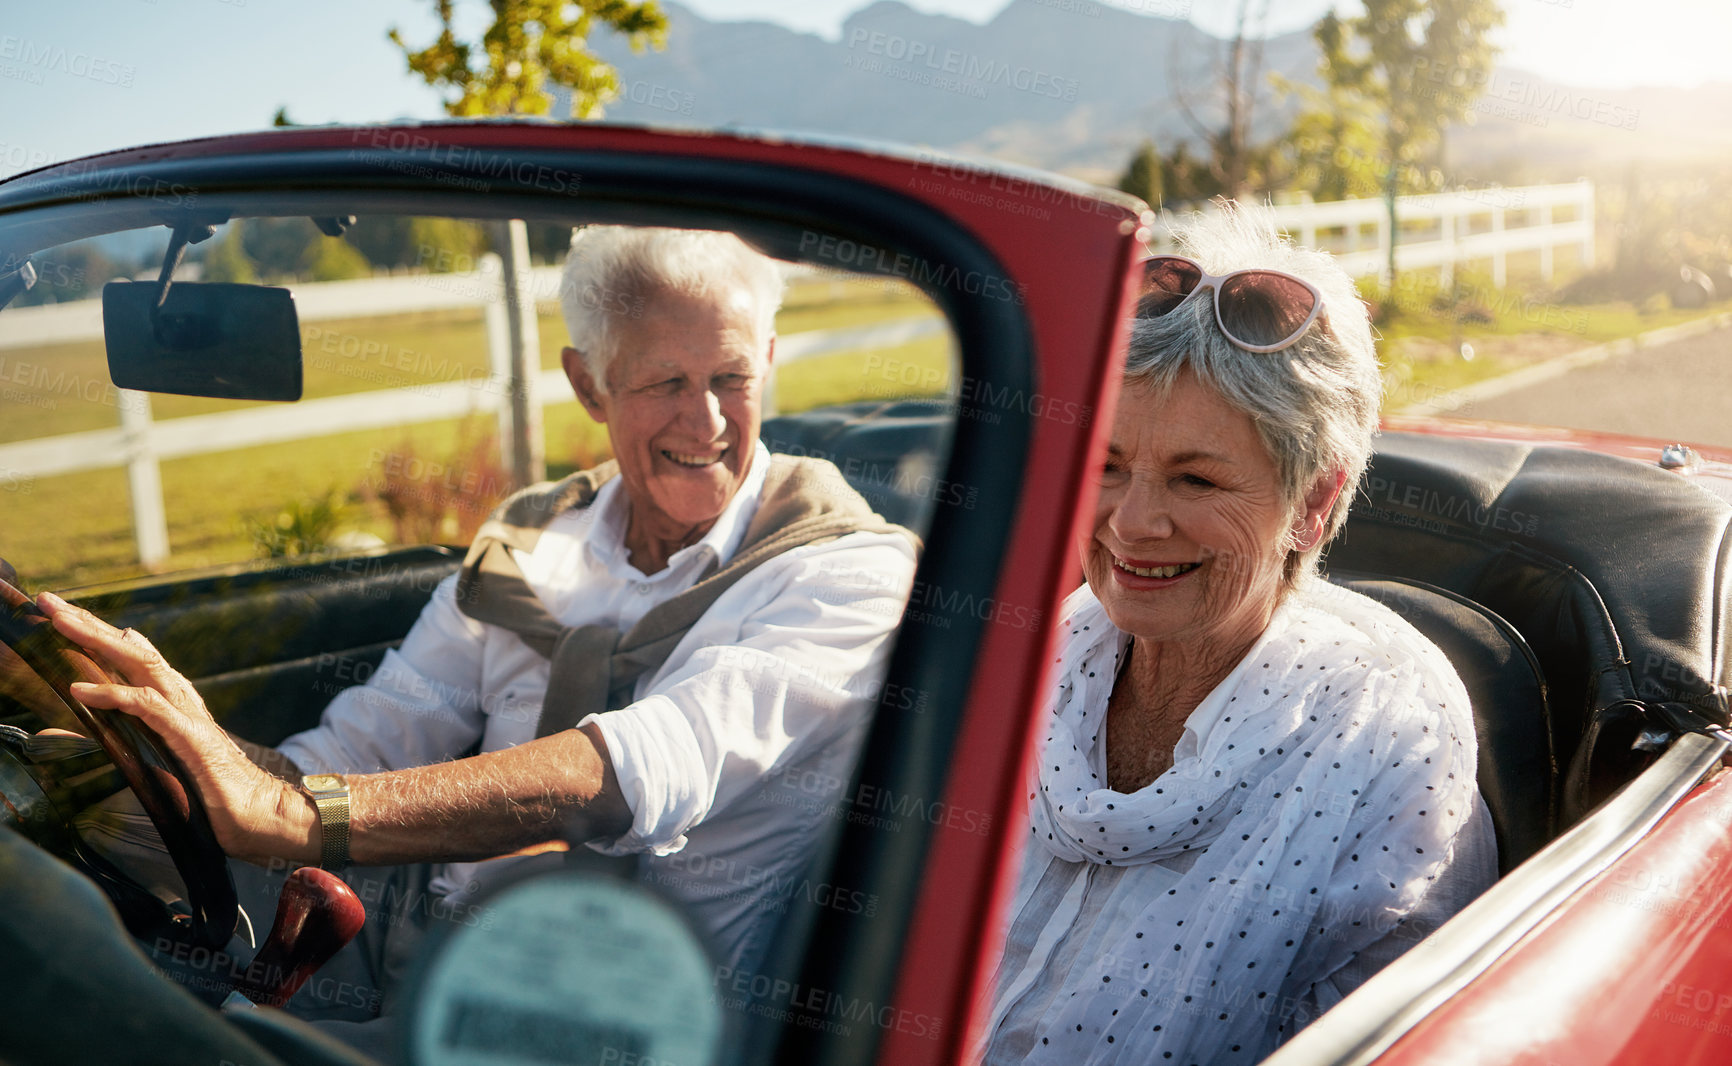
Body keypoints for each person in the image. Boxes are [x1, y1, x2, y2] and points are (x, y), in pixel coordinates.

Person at [33, 227, 919, 1037]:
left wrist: (293, 812)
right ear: (588, 385)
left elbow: (640, 769)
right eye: (665, 383)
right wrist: (171, 744)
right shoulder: (533, 537)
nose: (709, 421)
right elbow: (366, 742)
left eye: (732, 376)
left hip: (629, 1021)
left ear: (768, 359)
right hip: (418, 939)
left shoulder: (848, 570)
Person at [979, 204, 1497, 1065]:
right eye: (1107, 466)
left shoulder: (1383, 735)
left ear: (1315, 503)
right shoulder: (1036, 654)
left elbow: (1383, 1041)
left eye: (1196, 479)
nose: (1134, 522)